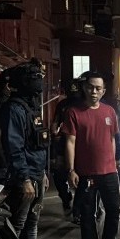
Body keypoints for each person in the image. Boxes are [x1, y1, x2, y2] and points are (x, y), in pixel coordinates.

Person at [0, 59, 54, 239]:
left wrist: (42, 173)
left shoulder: (31, 107)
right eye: (35, 78)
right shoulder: (13, 109)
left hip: (36, 173)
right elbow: (14, 147)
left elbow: (38, 143)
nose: (39, 82)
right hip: (24, 177)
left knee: (32, 221)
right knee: (17, 224)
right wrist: (24, 179)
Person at [61, 71, 120, 239]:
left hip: (109, 172)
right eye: (90, 87)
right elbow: (70, 142)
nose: (94, 91)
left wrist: (112, 162)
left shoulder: (109, 111)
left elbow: (112, 139)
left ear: (103, 91)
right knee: (87, 214)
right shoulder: (73, 112)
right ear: (84, 88)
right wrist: (71, 170)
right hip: (85, 173)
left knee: (114, 209)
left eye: (98, 88)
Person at [50, 78, 84, 222]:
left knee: (82, 180)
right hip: (63, 145)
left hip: (81, 146)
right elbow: (55, 123)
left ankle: (78, 211)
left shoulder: (84, 104)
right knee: (59, 176)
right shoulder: (63, 104)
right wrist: (54, 133)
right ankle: (66, 198)